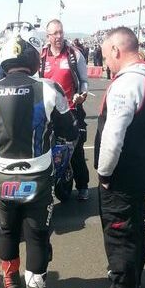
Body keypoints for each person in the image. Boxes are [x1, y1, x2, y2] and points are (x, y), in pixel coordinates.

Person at [0, 25, 79, 288]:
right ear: (33, 62)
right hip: (37, 177)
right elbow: (69, 128)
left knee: (6, 229)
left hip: (1, 176)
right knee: (37, 235)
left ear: (3, 62)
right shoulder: (49, 88)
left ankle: (10, 283)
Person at [90, 26, 145, 288]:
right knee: (134, 227)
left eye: (106, 55)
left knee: (120, 231)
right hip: (141, 166)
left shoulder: (126, 84)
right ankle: (133, 278)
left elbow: (113, 136)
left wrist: (104, 173)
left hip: (122, 174)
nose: (106, 62)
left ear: (116, 51)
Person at [40, 19, 90, 200]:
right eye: (55, 33)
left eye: (61, 32)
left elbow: (84, 81)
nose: (59, 36)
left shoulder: (74, 55)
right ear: (48, 36)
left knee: (75, 151)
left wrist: (82, 95)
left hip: (70, 110)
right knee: (47, 149)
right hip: (48, 112)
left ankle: (83, 185)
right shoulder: (41, 55)